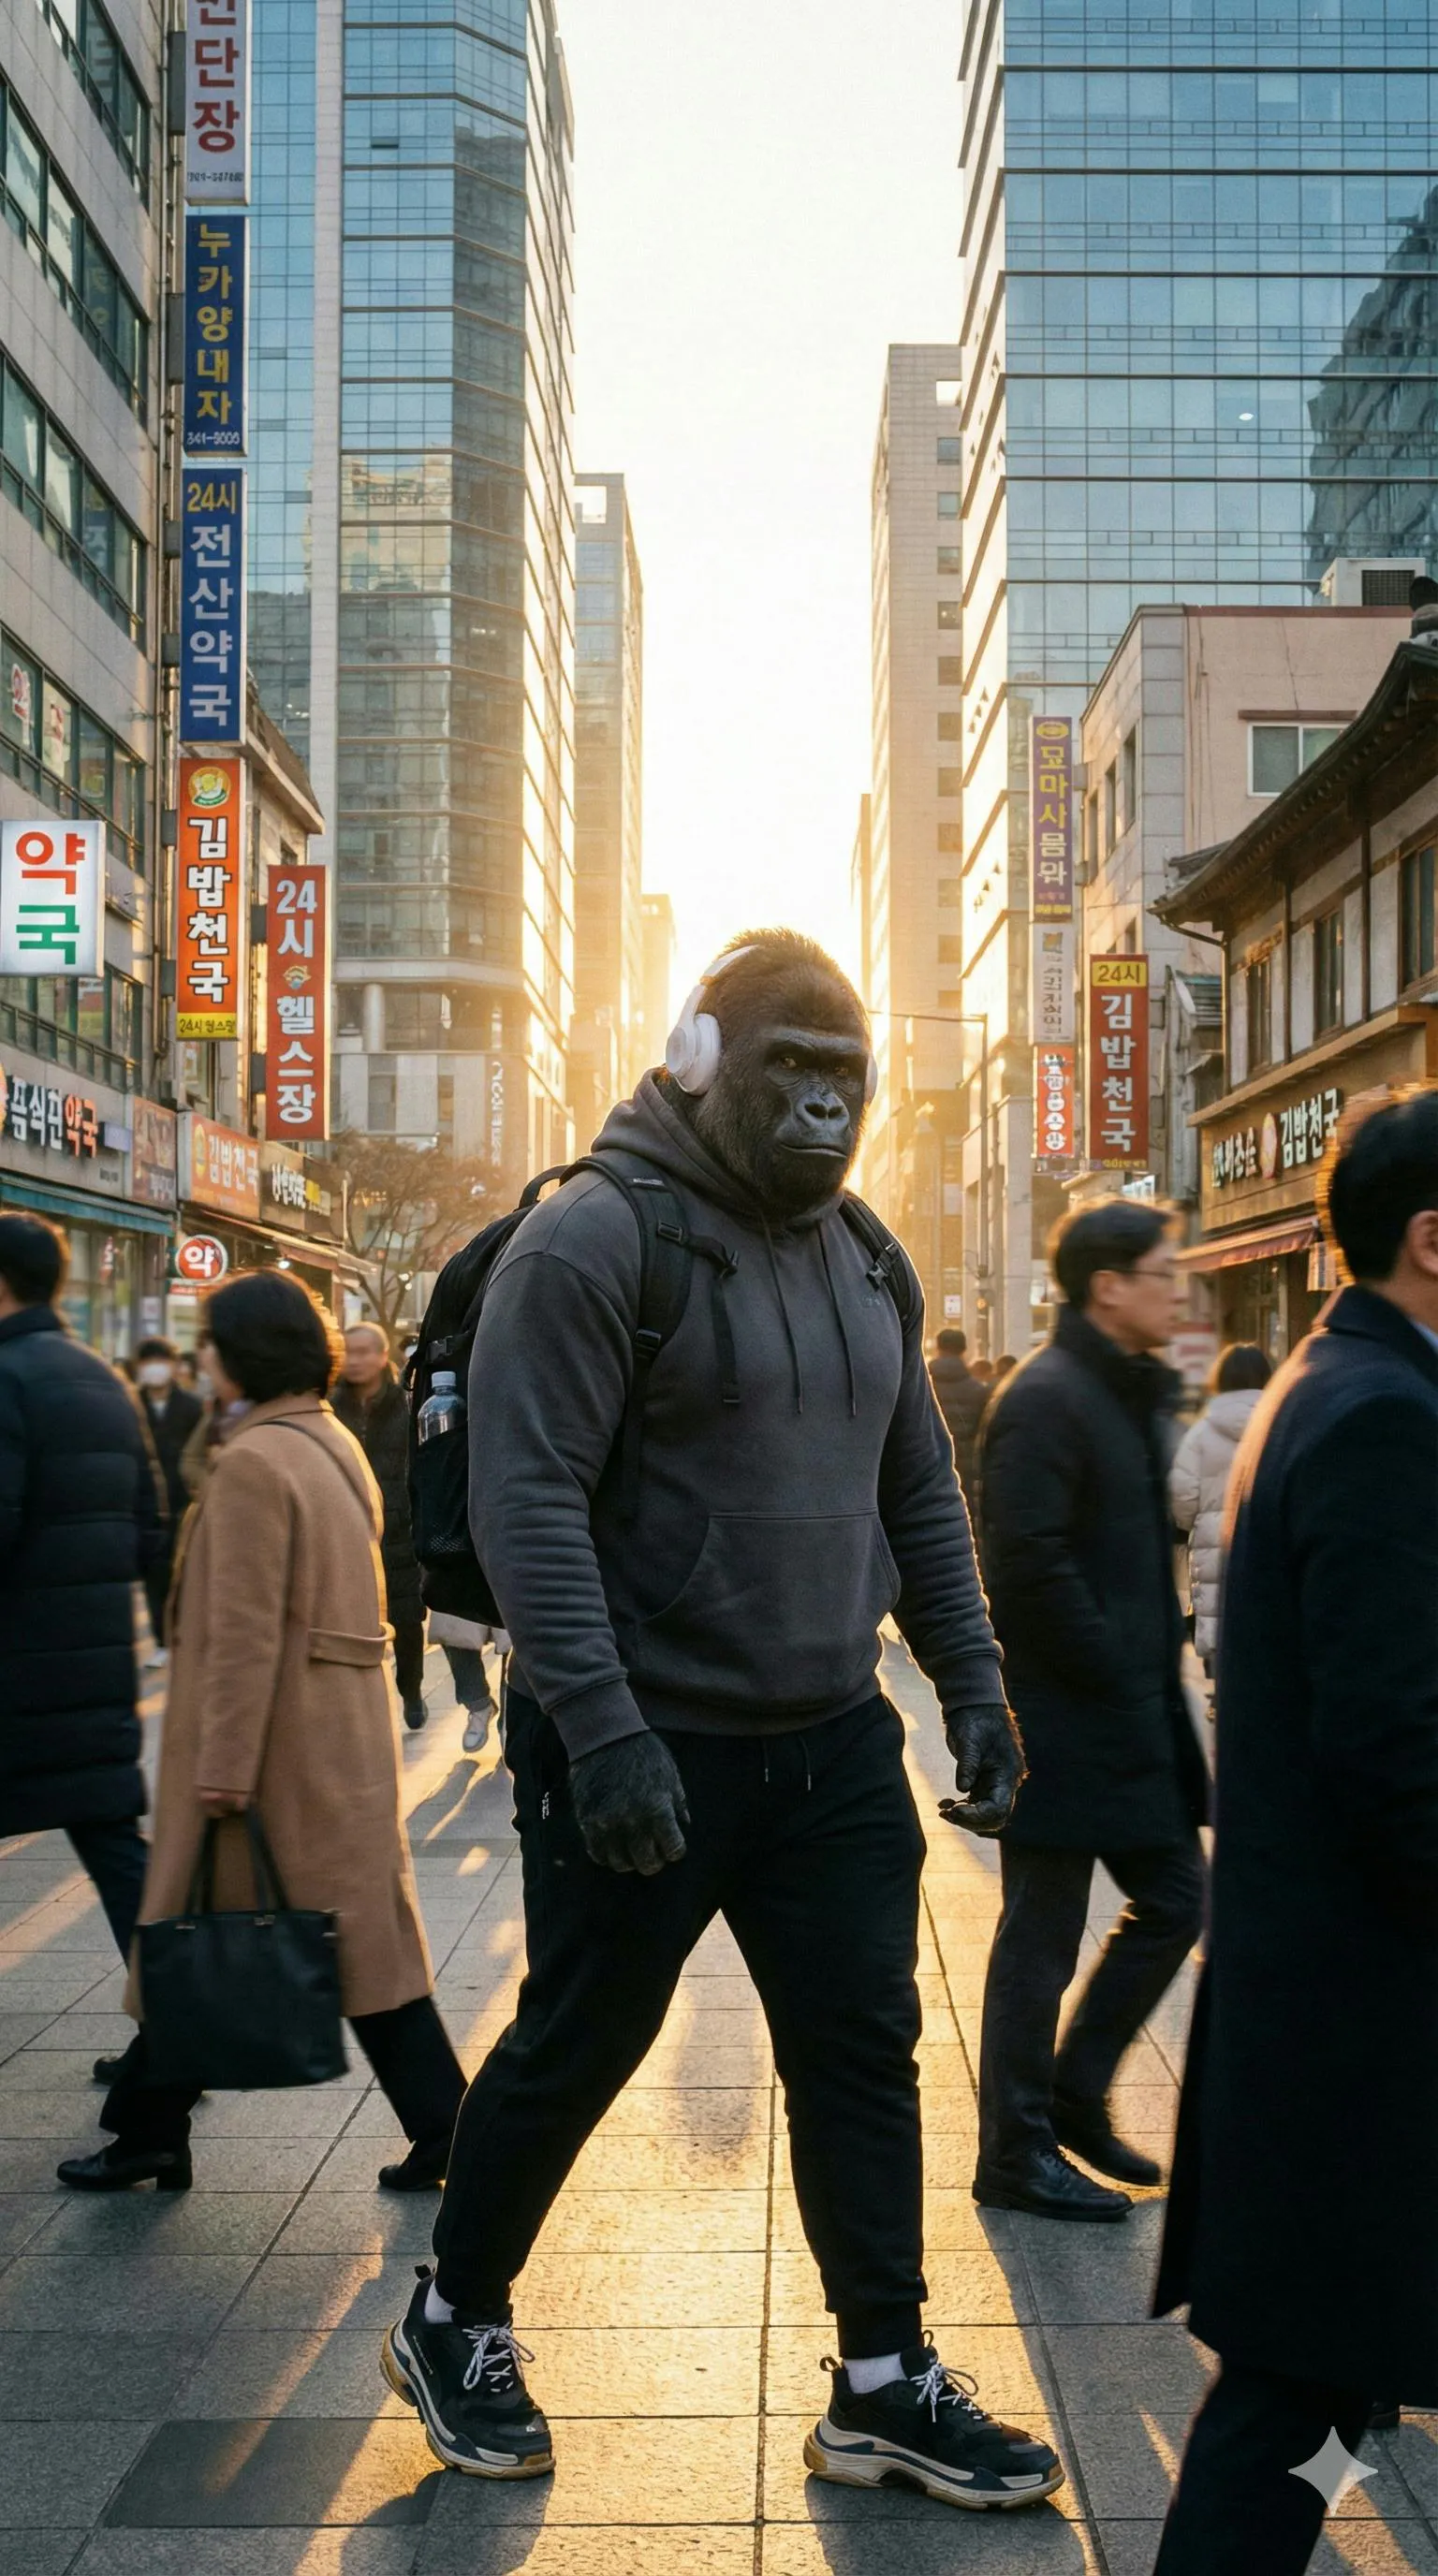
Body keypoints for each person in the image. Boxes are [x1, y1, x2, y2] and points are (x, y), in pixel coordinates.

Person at [381, 929, 1061, 2510]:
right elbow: (526, 1495)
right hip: (639, 1740)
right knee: (580, 2039)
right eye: (792, 1075)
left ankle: (881, 2382)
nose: (827, 1112)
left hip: (828, 1741)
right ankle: (452, 2313)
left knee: (861, 2047)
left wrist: (973, 1680)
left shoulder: (869, 1254)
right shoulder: (593, 1241)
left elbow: (916, 1494)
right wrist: (604, 1732)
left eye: (848, 1080)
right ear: (703, 1066)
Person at [1153, 1088, 1438, 2572]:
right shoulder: (1386, 1416)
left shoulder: (1339, 1385)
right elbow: (1400, 1749)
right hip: (1360, 2018)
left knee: (1311, 2399)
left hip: (1329, 2004)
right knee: (1294, 2410)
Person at [57, 1272, 466, 2196]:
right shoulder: (327, 1441)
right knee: (353, 1947)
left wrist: (223, 1771)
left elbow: (240, 1635)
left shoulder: (252, 1462)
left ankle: (147, 2131)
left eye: (210, 1341)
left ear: (243, 1352)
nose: (200, 1357)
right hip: (335, 1744)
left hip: (273, 1756)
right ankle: (440, 2130)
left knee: (207, 1935)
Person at [974, 1200, 1208, 2221]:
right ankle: (1016, 2146)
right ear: (1108, 1284)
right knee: (1042, 1930)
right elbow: (1023, 1559)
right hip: (1065, 1717)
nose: (1179, 1288)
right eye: (1162, 1271)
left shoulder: (1118, 1391)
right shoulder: (1048, 1396)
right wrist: (1116, 1664)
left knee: (1174, 1897)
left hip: (1121, 1710)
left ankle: (1070, 2091)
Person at [0, 1214, 167, 1969]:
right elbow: (147, 1532)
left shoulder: (6, 1377)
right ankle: (175, 2032)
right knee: (116, 1852)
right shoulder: (106, 1380)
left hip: (16, 1671)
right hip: (95, 1673)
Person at [333, 1321, 496, 1741]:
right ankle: (471, 1701)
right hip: (353, 1527)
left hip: (408, 1525)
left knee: (410, 1622)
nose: (356, 1360)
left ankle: (412, 1691)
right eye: (349, 1351)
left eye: (365, 1351)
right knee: (407, 1621)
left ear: (382, 1353)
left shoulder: (406, 1400)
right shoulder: (334, 1407)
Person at [1168, 1344, 1271, 1676]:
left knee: (1219, 1624)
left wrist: (1196, 1524)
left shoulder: (1200, 1434)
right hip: (1266, 1537)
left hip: (1214, 1541)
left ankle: (1220, 1689)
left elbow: (1182, 1496)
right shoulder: (1281, 1424)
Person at [132, 1335, 203, 1665]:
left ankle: (183, 1636)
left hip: (184, 1502)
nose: (155, 1370)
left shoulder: (192, 1407)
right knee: (154, 1574)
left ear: (174, 1366)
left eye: (161, 1361)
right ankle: (163, 1641)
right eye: (148, 1363)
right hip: (145, 1505)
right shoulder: (131, 1405)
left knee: (186, 1574)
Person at [926, 1326, 988, 1500]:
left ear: (938, 1348)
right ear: (964, 1350)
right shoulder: (978, 1390)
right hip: (965, 1467)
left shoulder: (921, 1386)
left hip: (927, 1465)